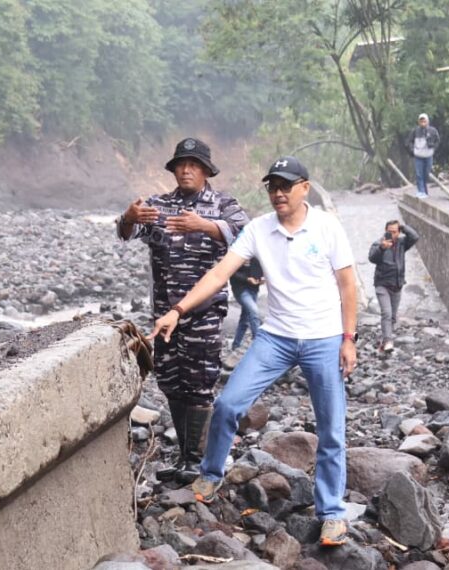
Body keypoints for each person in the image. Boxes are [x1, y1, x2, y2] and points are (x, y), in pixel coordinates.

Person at [149, 156, 359, 547]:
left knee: (331, 428)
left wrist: (349, 339)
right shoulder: (260, 230)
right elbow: (218, 274)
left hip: (323, 339)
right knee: (228, 405)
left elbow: (348, 285)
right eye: (272, 187)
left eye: (286, 186)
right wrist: (177, 310)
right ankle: (211, 475)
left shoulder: (328, 227)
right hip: (275, 338)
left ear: (304, 188)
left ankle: (331, 513)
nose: (278, 193)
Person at [117, 137, 250, 483]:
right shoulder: (159, 205)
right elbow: (127, 232)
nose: (186, 169)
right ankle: (185, 457)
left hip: (204, 313)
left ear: (206, 171)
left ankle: (198, 459)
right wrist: (127, 218)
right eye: (181, 164)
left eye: (193, 164)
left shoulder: (223, 205)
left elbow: (247, 235)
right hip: (164, 314)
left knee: (200, 384)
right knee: (171, 382)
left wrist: (204, 226)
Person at [367, 220, 419, 353]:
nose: (391, 234)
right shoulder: (378, 243)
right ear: (385, 230)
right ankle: (388, 340)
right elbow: (372, 258)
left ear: (399, 232)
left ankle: (386, 340)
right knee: (387, 313)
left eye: (394, 231)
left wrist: (403, 227)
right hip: (382, 284)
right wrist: (382, 248)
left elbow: (414, 237)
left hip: (397, 284)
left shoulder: (402, 243)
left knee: (393, 316)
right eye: (389, 231)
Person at [229, 258, 263, 352]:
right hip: (241, 290)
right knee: (254, 312)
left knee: (245, 319)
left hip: (254, 289)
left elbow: (261, 270)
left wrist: (261, 279)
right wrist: (247, 279)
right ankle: (258, 344)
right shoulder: (240, 252)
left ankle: (235, 345)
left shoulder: (258, 255)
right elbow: (231, 272)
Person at [407, 113, 440, 198]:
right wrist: (413, 150)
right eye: (421, 121)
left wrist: (433, 149)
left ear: (427, 121)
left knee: (426, 173)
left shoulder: (433, 131)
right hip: (418, 156)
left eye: (424, 120)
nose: (423, 122)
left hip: (428, 155)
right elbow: (409, 141)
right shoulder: (415, 131)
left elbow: (437, 140)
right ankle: (421, 191)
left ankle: (424, 191)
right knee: (419, 174)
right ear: (419, 122)